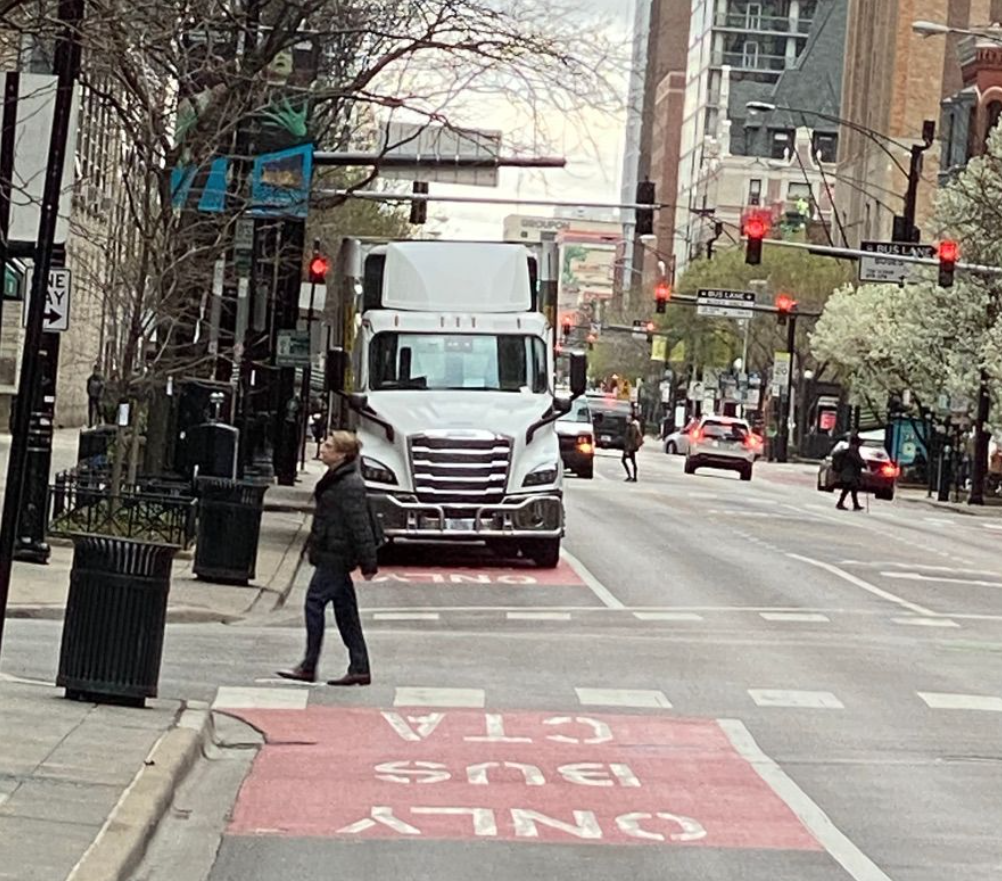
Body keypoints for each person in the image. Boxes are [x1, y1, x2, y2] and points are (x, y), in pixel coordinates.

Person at [278, 431, 379, 686]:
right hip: (331, 550)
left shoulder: (349, 485)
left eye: (329, 446)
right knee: (346, 612)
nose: (322, 449)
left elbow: (360, 526)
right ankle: (359, 666)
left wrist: (369, 563)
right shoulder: (337, 478)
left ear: (342, 455)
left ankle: (309, 665)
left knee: (314, 602)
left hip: (337, 554)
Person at [833, 433, 866, 511]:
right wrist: (864, 464)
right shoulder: (852, 452)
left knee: (852, 489)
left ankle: (855, 504)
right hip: (849, 474)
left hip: (849, 474)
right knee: (848, 489)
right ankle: (841, 503)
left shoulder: (851, 451)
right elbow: (857, 461)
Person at [622, 412, 643, 482]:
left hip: (630, 448)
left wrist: (628, 449)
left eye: (628, 418)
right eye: (626, 418)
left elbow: (632, 439)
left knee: (629, 461)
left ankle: (632, 476)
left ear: (631, 419)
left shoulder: (632, 427)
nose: (626, 419)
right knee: (631, 461)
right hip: (629, 447)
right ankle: (632, 476)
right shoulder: (629, 426)